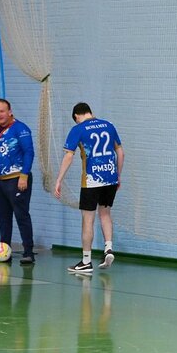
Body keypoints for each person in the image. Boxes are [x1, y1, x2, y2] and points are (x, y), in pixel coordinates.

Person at [54, 102, 124, 274]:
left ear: (76, 116)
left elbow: (69, 156)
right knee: (105, 213)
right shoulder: (108, 125)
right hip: (110, 177)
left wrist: (59, 179)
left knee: (88, 219)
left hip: (91, 180)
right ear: (90, 112)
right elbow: (120, 152)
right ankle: (108, 248)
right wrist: (118, 175)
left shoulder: (78, 129)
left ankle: (86, 262)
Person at [0, 99, 36, 264]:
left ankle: (28, 252)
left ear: (10, 112)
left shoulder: (20, 128)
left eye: (2, 111)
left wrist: (24, 175)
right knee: (1, 215)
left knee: (21, 215)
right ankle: (4, 251)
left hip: (17, 178)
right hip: (1, 181)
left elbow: (29, 152)